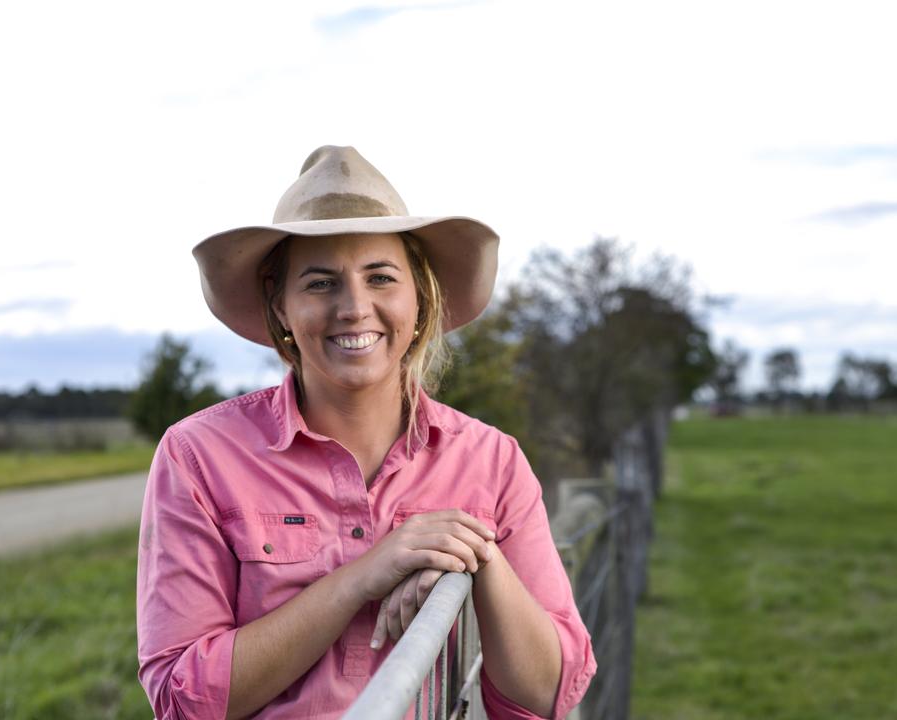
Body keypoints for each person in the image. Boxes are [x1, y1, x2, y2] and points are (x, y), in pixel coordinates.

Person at [136, 145, 596, 719]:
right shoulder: (199, 456)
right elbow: (183, 699)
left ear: (419, 297)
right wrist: (362, 576)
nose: (355, 307)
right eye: (320, 283)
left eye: (380, 277)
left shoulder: (492, 460)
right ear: (280, 306)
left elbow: (550, 693)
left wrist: (479, 560)